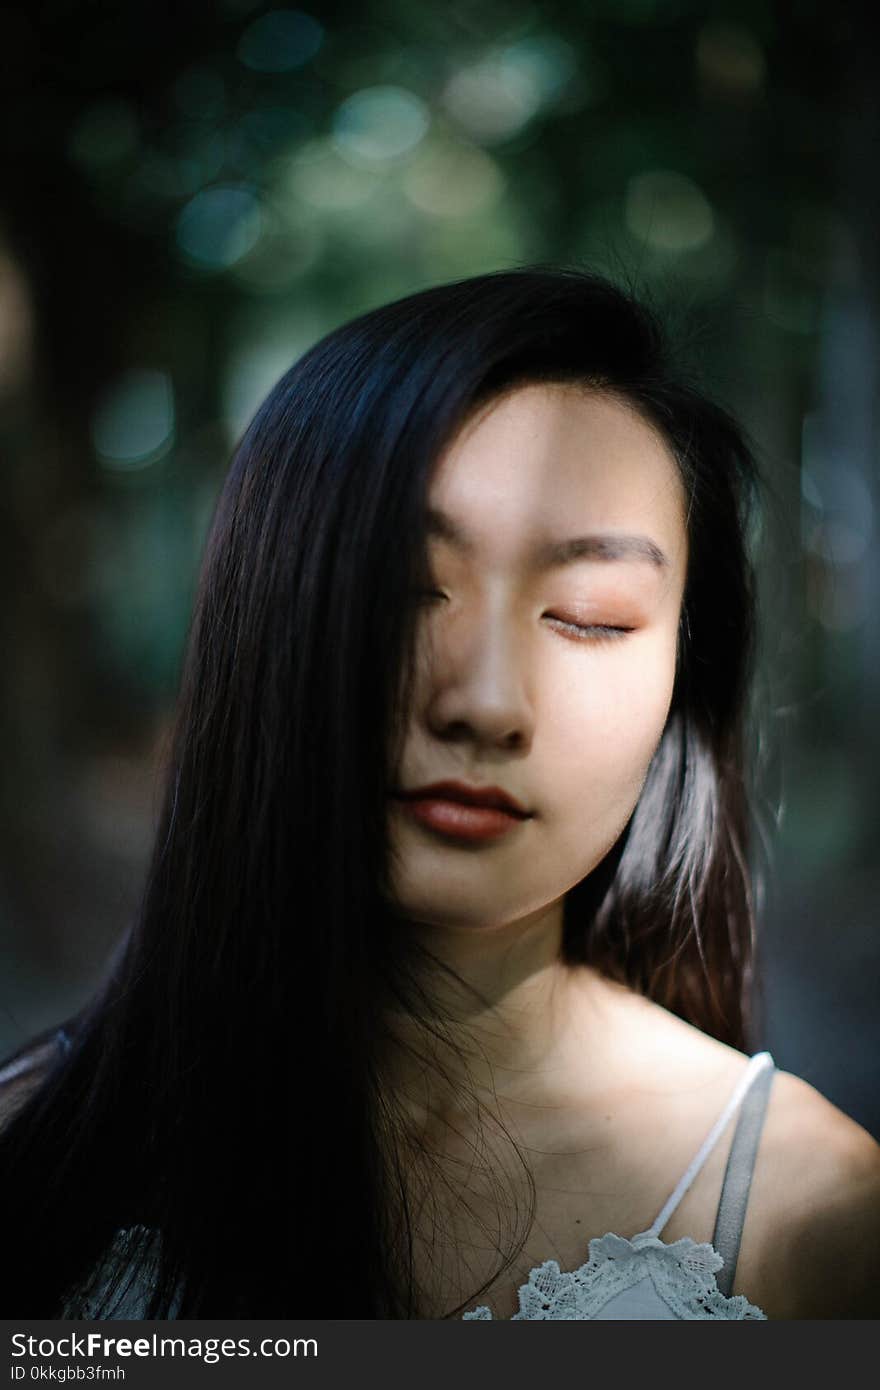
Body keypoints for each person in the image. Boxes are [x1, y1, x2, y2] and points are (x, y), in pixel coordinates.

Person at [1, 266, 878, 1320]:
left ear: (680, 686)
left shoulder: (812, 1211)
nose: (488, 702)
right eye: (407, 591)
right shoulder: (33, 1155)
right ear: (262, 616)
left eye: (592, 615)